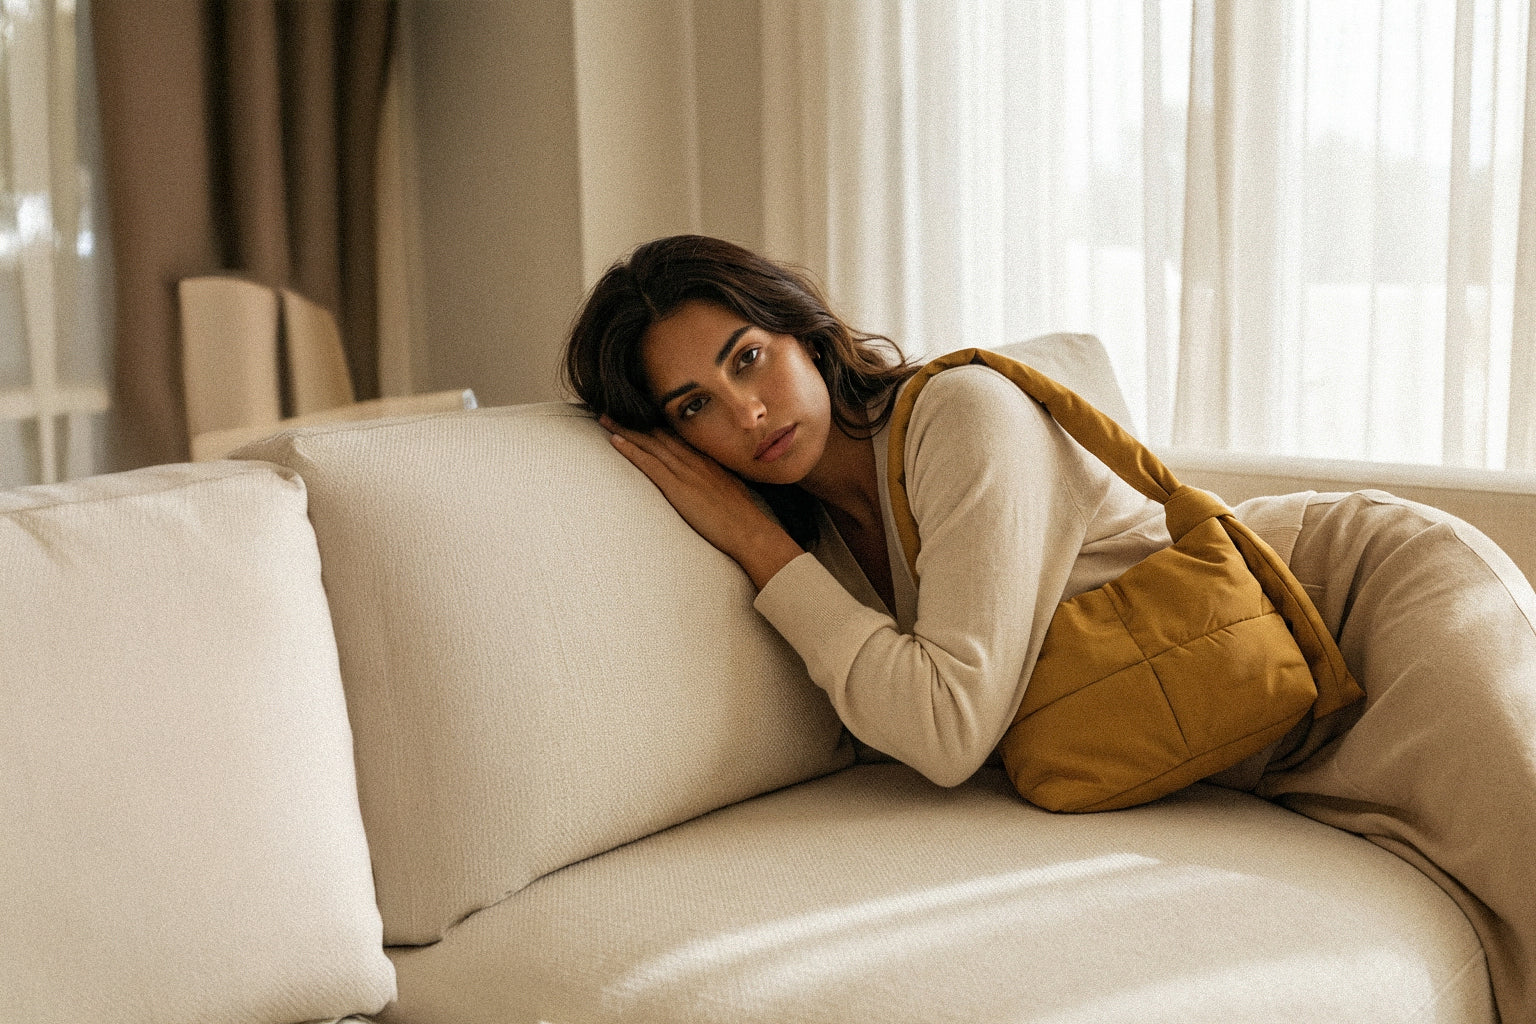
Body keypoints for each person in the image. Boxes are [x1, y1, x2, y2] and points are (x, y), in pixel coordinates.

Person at [564, 233, 1536, 1022]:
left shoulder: (958, 413)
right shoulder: (817, 544)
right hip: (1254, 734)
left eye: (748, 357)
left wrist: (749, 542)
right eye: (696, 403)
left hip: (1363, 604)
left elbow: (945, 730)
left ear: (804, 334)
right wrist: (768, 548)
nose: (746, 408)